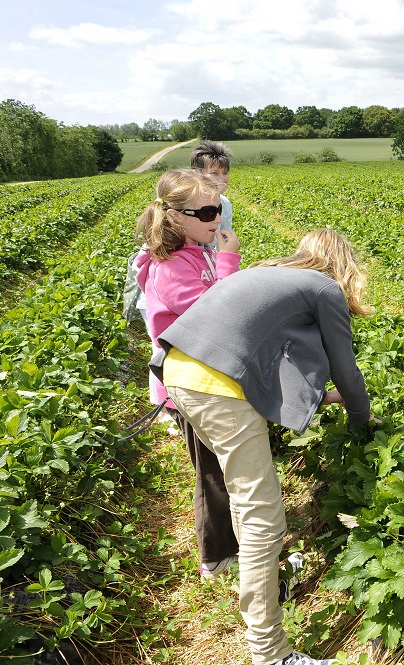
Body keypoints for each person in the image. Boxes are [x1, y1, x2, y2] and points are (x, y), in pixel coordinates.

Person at [154, 229, 374, 665]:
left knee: (243, 495)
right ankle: (271, 654)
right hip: (217, 389)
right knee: (264, 516)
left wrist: (314, 397)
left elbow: (261, 350)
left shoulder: (268, 273)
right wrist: (361, 421)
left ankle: (264, 583)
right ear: (344, 264)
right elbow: (346, 370)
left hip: (179, 374)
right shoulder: (324, 287)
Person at [134, 169, 241, 579]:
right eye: (208, 211)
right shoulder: (171, 267)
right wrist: (230, 260)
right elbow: (218, 314)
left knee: (219, 463)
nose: (218, 216)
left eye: (218, 207)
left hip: (203, 376)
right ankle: (215, 555)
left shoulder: (195, 252)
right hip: (187, 384)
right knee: (211, 469)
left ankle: (230, 541)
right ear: (176, 217)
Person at [190, 140, 234, 251]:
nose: (222, 179)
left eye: (225, 173)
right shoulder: (188, 204)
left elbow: (223, 243)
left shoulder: (225, 204)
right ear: (196, 174)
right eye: (214, 173)